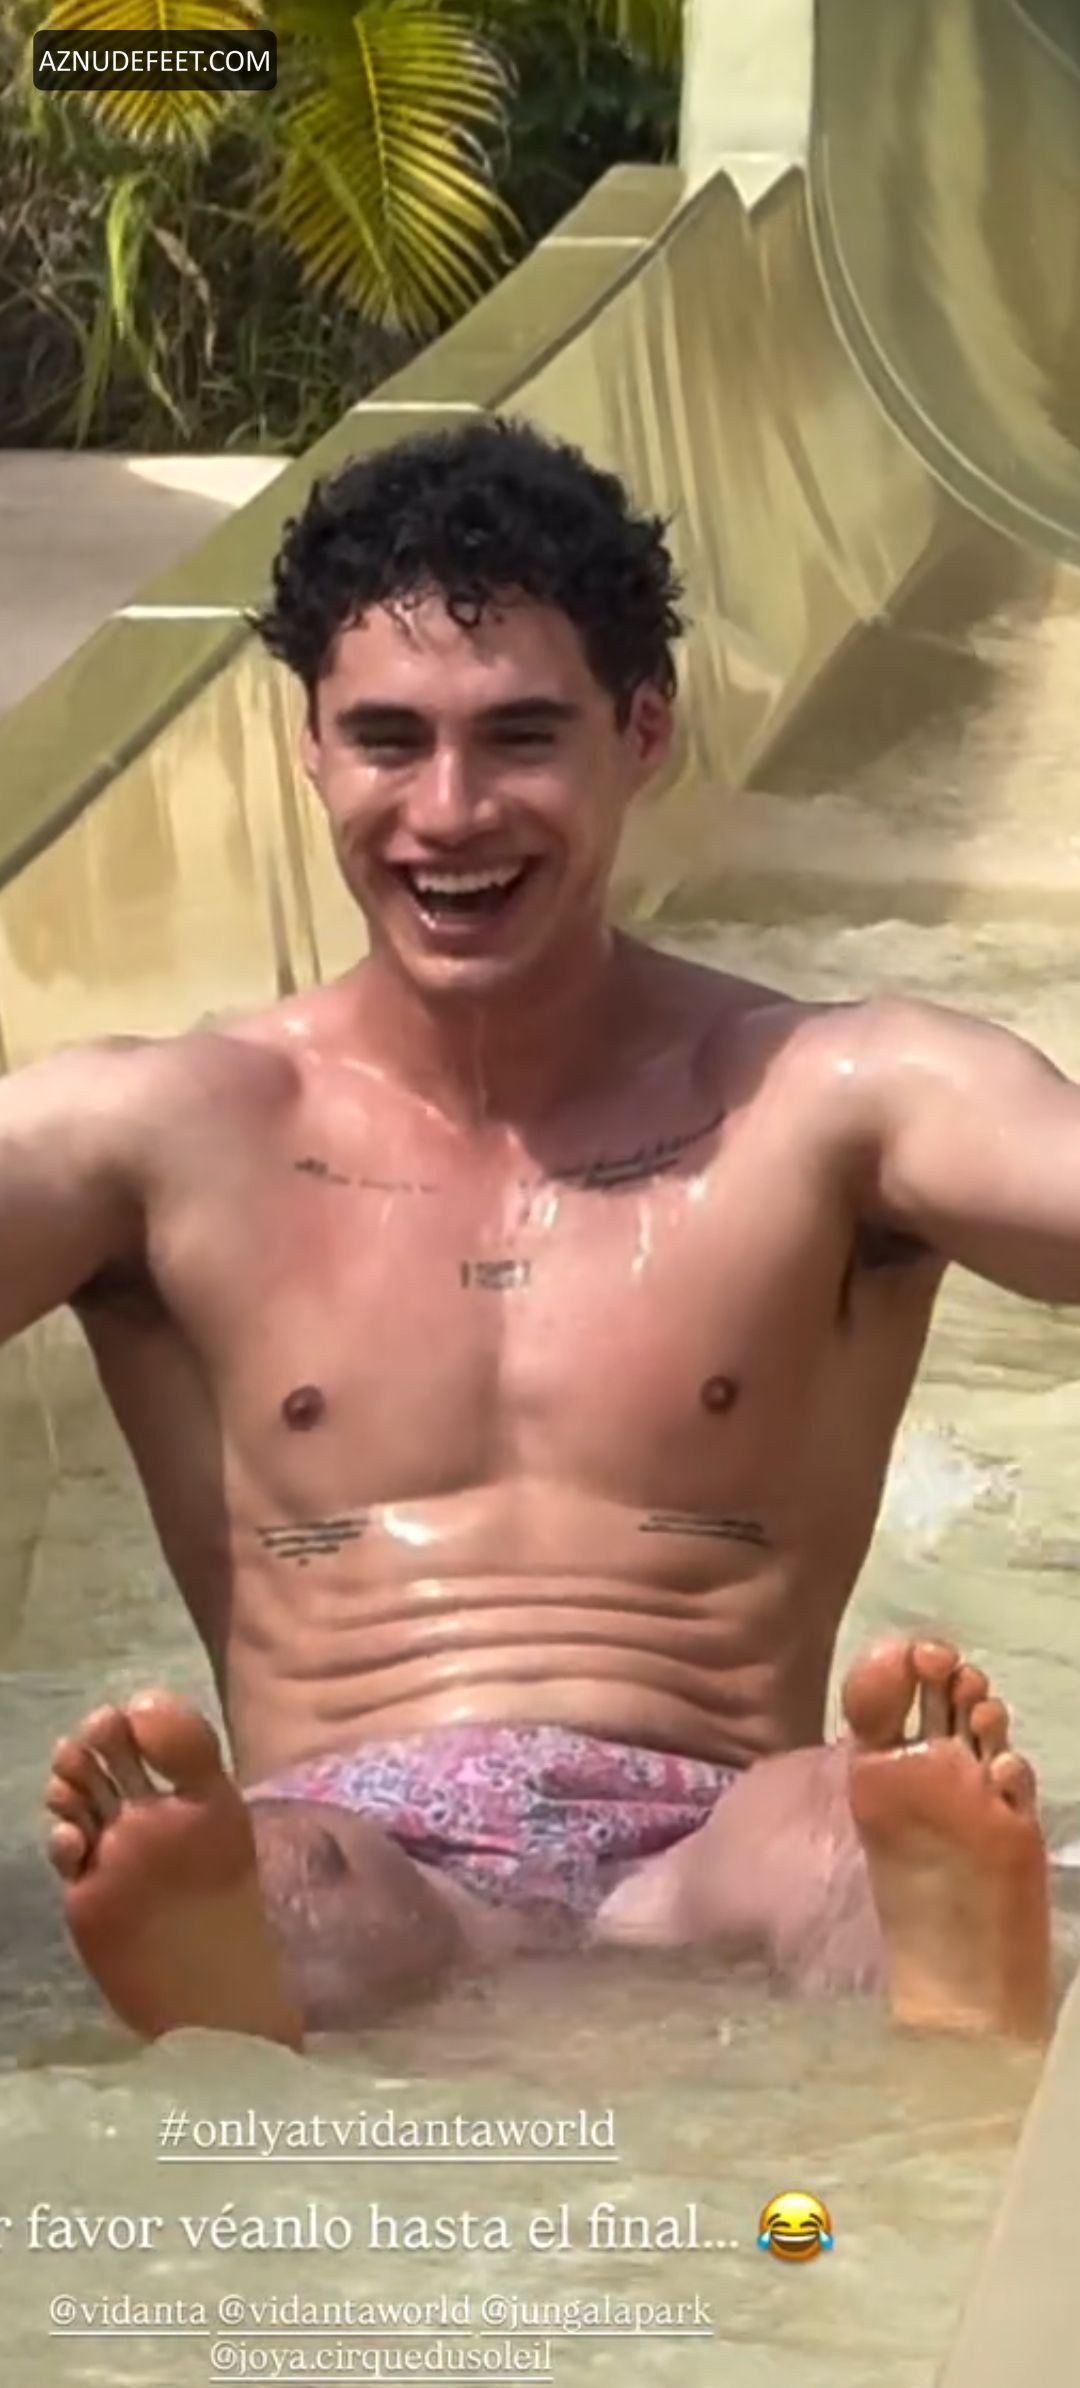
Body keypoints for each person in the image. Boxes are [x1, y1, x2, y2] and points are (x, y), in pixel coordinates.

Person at [10, 418, 1062, 2052]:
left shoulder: (830, 1104)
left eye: (519, 738)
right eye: (387, 739)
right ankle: (218, 1949)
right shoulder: (159, 1138)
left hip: (716, 1831)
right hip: (360, 1831)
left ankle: (937, 1945)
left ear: (644, 731)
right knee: (284, 1869)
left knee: (836, 1821)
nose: (449, 811)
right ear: (309, 748)